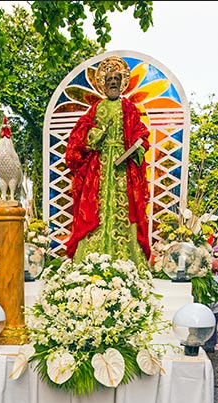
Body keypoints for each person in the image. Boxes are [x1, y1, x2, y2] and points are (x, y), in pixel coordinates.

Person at [65, 56, 150, 270]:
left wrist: (137, 147)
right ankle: (91, 261)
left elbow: (141, 132)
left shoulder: (129, 108)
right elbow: (80, 133)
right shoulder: (96, 109)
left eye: (116, 79)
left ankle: (127, 262)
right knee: (96, 208)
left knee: (125, 207)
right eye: (109, 79)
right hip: (99, 165)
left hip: (123, 166)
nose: (113, 82)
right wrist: (97, 135)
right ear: (103, 84)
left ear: (122, 83)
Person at [203, 257, 218, 353]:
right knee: (212, 326)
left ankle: (209, 344)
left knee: (211, 326)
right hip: (212, 307)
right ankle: (210, 344)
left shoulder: (215, 279)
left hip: (212, 307)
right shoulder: (214, 278)